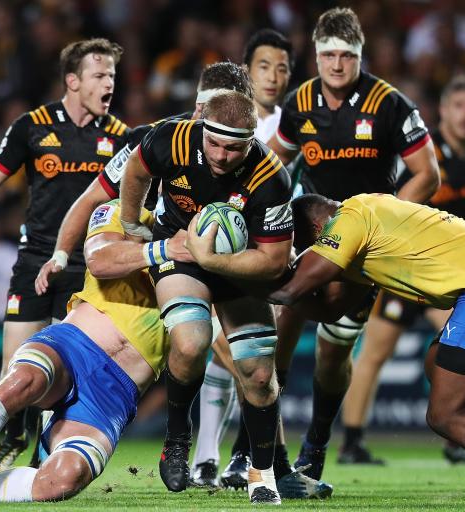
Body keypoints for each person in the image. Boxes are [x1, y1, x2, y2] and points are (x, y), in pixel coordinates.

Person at [269, 192, 465, 509]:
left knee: (445, 414)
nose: (311, 254)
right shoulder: (365, 222)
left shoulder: (349, 221)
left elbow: (291, 290)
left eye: (308, 246)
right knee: (435, 365)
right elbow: (330, 308)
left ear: (318, 229)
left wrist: (227, 274)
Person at [0, 198, 191, 503]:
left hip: (114, 394)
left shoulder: (204, 243)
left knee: (61, 481)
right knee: (22, 380)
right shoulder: (129, 212)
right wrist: (166, 249)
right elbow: (99, 259)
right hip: (74, 346)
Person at [262, 6, 440, 477]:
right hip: (309, 240)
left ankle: (317, 444)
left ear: (360, 56)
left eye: (347, 55)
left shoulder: (389, 103)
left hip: (362, 255)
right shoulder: (299, 104)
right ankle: (259, 450)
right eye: (328, 55)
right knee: (277, 331)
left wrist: (386, 223)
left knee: (333, 349)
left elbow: (428, 174)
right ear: (316, 57)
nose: (337, 64)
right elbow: (274, 164)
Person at [0, 38, 131, 475]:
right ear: (73, 81)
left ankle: (44, 452)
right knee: (15, 367)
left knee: (65, 366)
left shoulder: (121, 137)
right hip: (33, 260)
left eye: (113, 77)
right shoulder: (33, 126)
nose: (109, 84)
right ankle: (14, 434)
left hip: (87, 267)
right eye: (100, 76)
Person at [119, 90, 293, 504]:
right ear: (202, 130)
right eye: (213, 143)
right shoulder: (171, 139)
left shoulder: (271, 177)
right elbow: (136, 171)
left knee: (260, 374)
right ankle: (177, 438)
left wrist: (213, 260)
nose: (220, 154)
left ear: (251, 141)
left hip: (242, 263)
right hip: (180, 252)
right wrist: (131, 222)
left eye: (233, 147)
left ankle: (261, 474)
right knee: (191, 340)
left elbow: (273, 261)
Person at [339, 75, 465, 464]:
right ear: (442, 111)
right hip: (406, 269)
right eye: (458, 106)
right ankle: (352, 442)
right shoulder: (425, 158)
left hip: (446, 275)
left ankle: (460, 434)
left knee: (461, 346)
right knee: (374, 352)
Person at [35, 61, 254, 296]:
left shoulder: (255, 158)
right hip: (150, 252)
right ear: (200, 107)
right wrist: (60, 256)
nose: (221, 152)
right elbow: (92, 198)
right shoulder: (153, 140)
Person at [190, 28, 294, 489]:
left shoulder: (285, 131)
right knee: (232, 352)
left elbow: (289, 194)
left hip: (258, 249)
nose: (274, 76)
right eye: (264, 66)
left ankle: (223, 457)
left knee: (240, 356)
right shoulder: (197, 132)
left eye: (282, 67)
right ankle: (238, 457)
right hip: (198, 255)